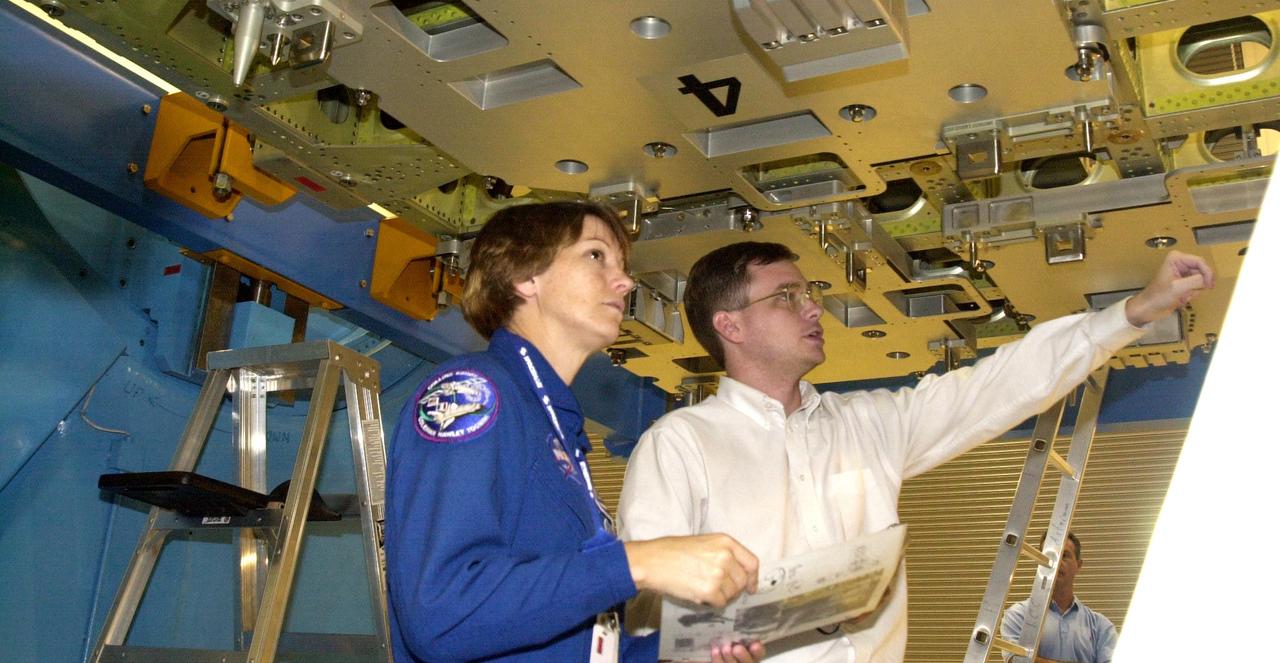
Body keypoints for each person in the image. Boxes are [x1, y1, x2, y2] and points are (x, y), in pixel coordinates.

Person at [618, 241, 1212, 662]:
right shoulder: (679, 445)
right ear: (731, 326)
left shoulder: (870, 425)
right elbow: (642, 599)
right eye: (786, 296)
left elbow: (998, 385)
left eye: (811, 293)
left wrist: (1132, 313)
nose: (812, 307)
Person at [385, 202, 766, 663]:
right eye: (595, 256)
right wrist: (639, 562)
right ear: (524, 276)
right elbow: (441, 612)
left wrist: (685, 654)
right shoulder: (472, 393)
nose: (625, 281)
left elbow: (579, 644)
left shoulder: (559, 431)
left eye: (623, 267)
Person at [1000, 532, 1116, 663]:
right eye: (1049, 556)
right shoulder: (1018, 615)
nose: (1055, 563)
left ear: (1079, 565)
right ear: (1039, 562)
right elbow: (1016, 661)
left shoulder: (1101, 627)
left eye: (1065, 556)